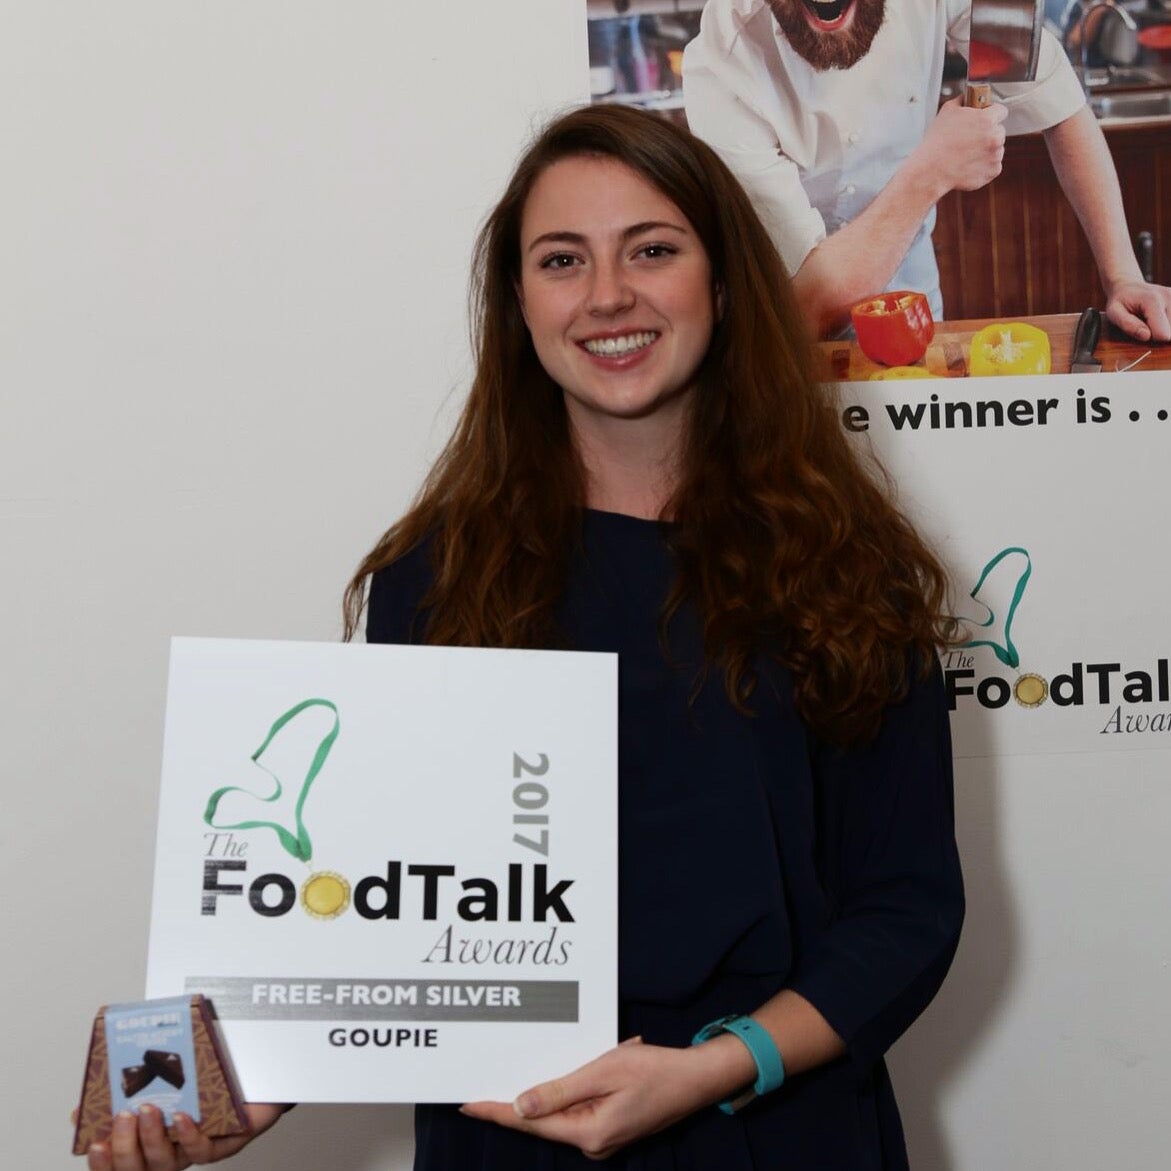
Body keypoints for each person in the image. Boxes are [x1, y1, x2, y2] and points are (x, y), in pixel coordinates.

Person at [86, 103, 964, 1170]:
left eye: (651, 249)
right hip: (513, 1139)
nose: (607, 296)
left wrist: (714, 1065)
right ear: (518, 302)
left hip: (774, 1132)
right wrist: (263, 1071)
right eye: (562, 260)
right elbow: (388, 905)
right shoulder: (437, 577)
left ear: (722, 282)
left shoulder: (843, 565)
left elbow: (906, 908)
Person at [683, 0, 1171, 342]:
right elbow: (803, 310)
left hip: (914, 310)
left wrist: (1123, 276)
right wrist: (930, 173)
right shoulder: (723, 66)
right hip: (792, 353)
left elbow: (1057, 103)